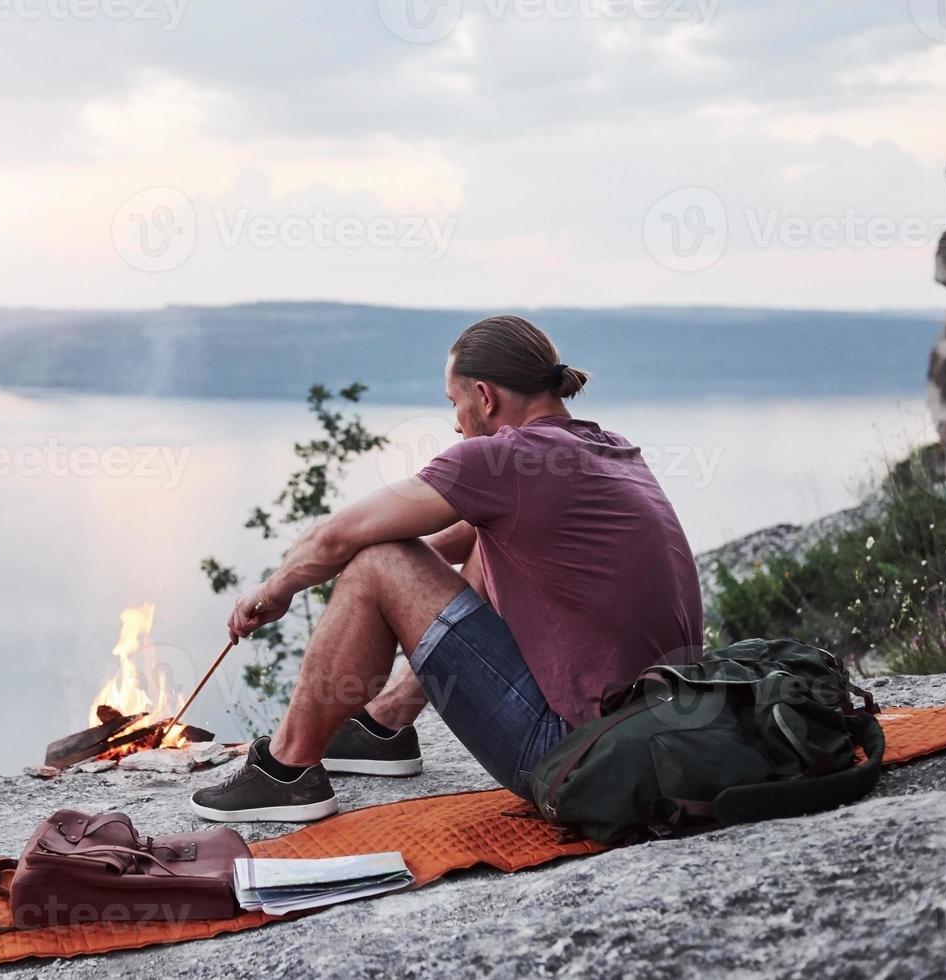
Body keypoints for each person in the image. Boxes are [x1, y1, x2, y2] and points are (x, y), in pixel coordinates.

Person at [191, 314, 703, 822]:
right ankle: (383, 727)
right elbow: (459, 538)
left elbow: (337, 535)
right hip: (650, 740)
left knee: (377, 559)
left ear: (484, 396)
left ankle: (287, 771)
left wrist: (273, 591)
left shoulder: (506, 458)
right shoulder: (603, 446)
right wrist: (401, 598)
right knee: (458, 541)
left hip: (578, 759)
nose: (456, 422)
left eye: (454, 403)